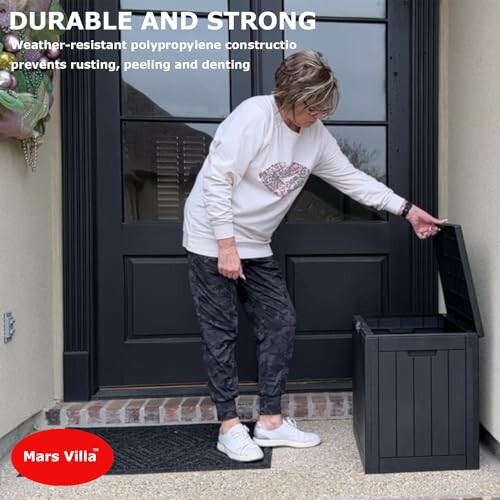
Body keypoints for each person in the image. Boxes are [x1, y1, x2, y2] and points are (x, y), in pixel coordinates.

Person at [182, 49, 446, 462]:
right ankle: (228, 426)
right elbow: (217, 179)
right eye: (313, 106)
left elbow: (352, 179)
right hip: (210, 236)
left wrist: (408, 210)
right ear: (290, 96)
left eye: (324, 107)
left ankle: (269, 422)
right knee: (222, 332)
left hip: (255, 241)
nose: (320, 114)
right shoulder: (254, 117)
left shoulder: (316, 135)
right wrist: (226, 246)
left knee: (280, 323)